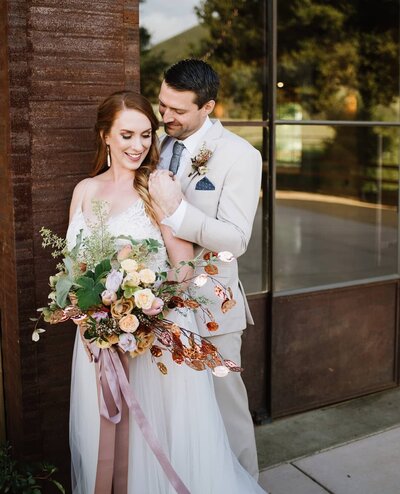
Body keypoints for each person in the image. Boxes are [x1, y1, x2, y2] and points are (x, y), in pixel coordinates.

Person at [66, 90, 266, 493]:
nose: (138, 146)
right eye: (126, 135)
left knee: (160, 438)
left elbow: (183, 268)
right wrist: (85, 311)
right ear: (104, 135)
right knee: (104, 432)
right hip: (96, 343)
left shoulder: (156, 188)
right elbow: (73, 269)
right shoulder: (84, 190)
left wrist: (144, 311)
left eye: (145, 135)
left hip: (154, 338)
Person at [149, 59, 262, 479]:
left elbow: (236, 239)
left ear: (208, 106)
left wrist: (178, 213)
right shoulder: (157, 143)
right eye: (162, 105)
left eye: (178, 110)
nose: (166, 118)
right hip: (159, 304)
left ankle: (246, 484)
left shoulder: (240, 156)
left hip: (214, 305)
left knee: (226, 406)